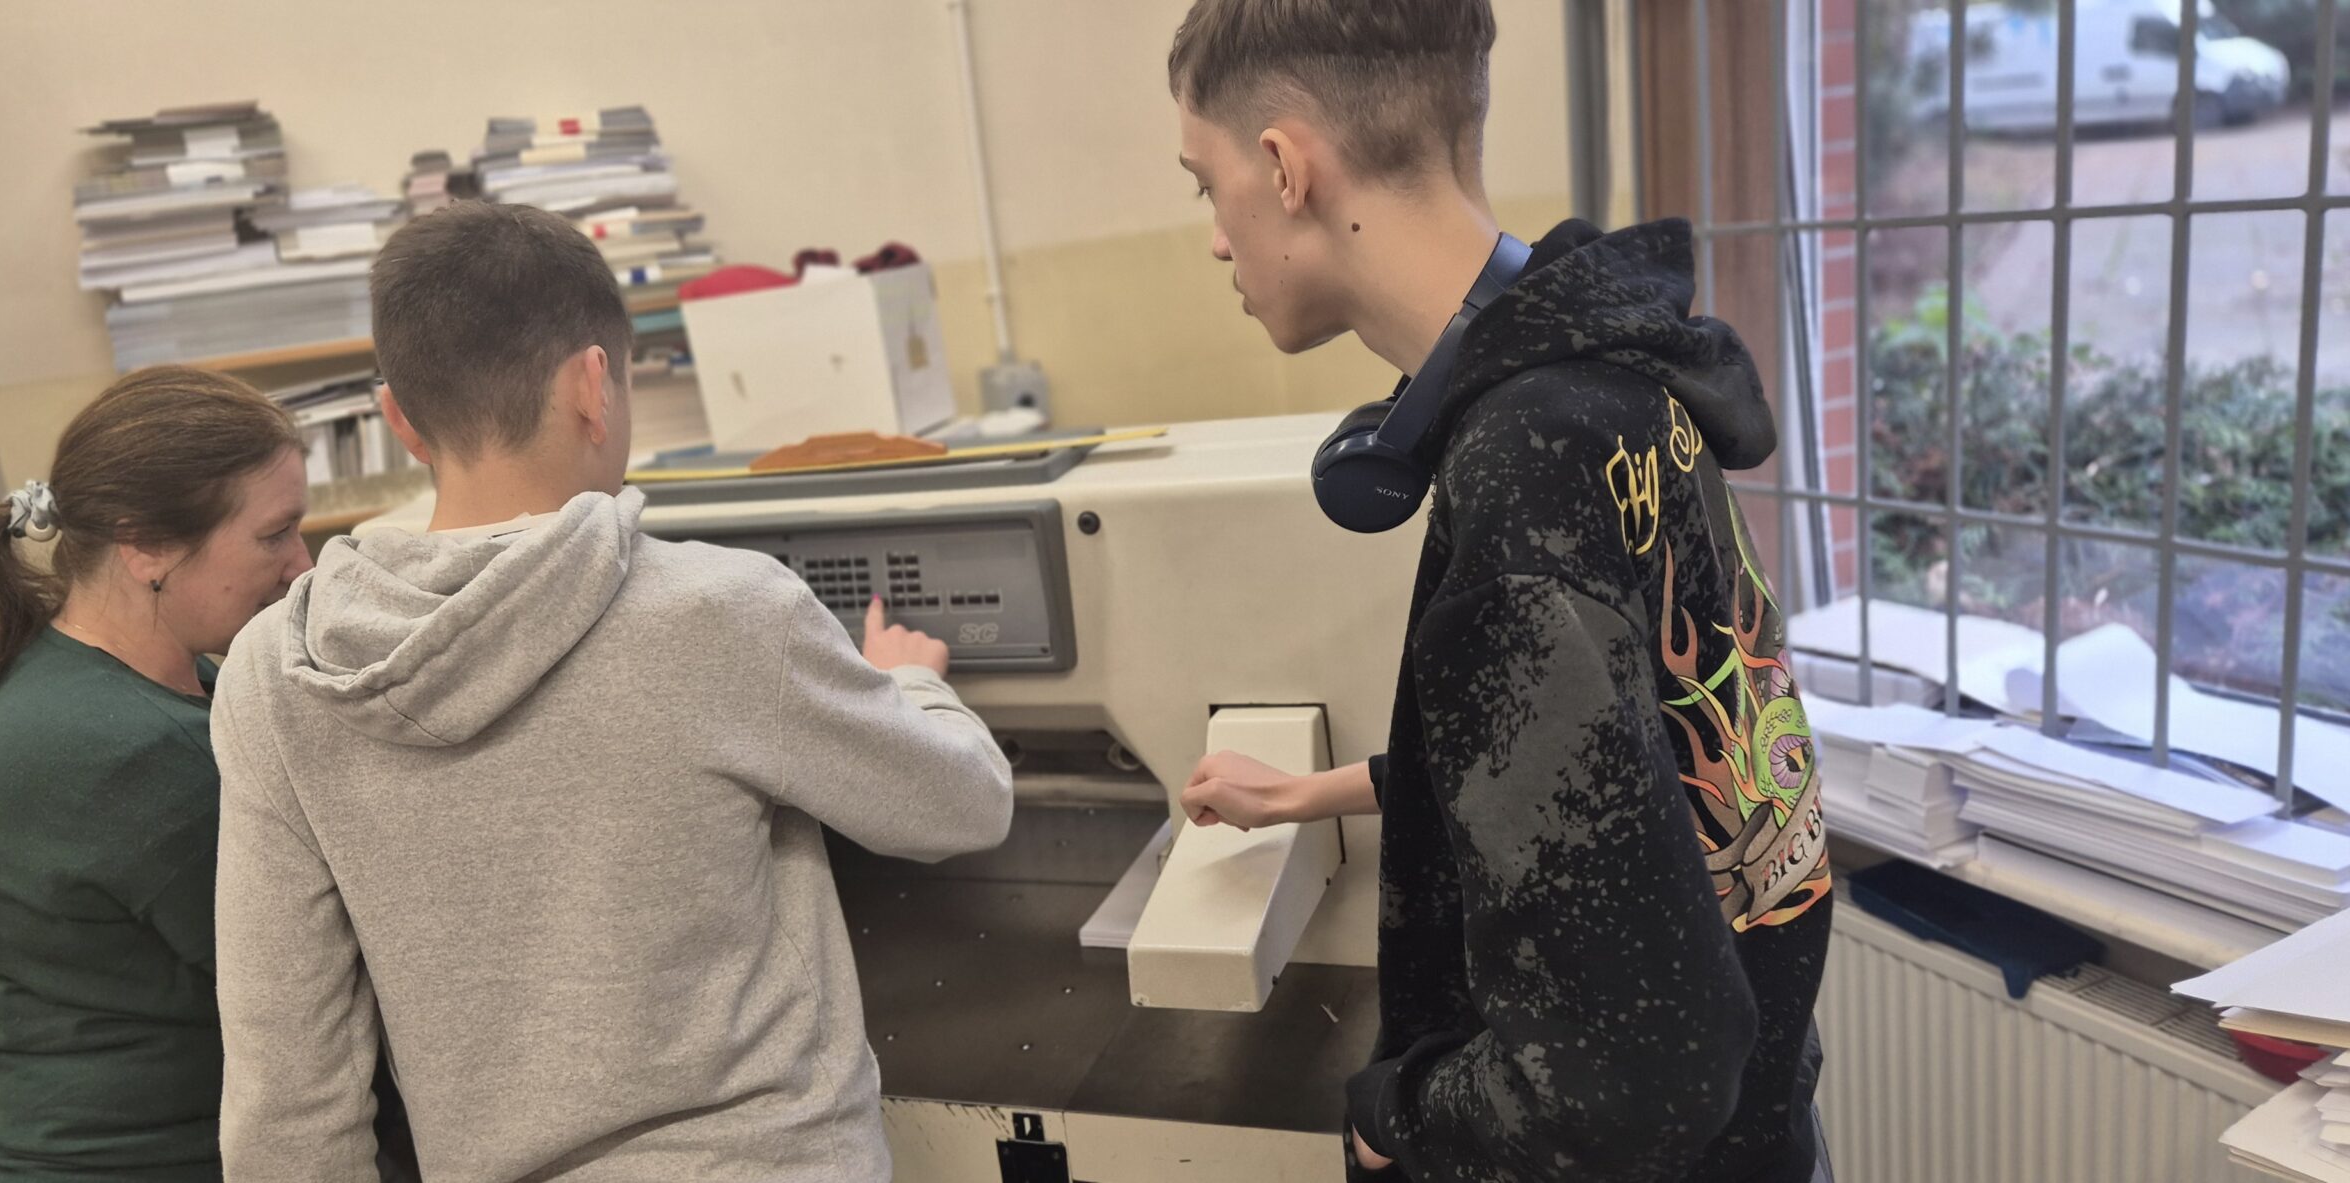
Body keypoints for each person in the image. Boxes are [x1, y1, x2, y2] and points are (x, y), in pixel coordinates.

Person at [209, 200, 1016, 1182]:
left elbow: (287, 1099)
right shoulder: (726, 610)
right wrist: (911, 682)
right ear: (594, 385)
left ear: (400, 420)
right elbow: (963, 803)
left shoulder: (273, 674)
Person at [1165, 2, 1835, 1180]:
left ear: (1283, 167)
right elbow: (1634, 751)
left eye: (1205, 185)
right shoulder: (1613, 380)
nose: (1217, 239)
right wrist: (1317, 793)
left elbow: (1638, 1077)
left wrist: (1397, 1114)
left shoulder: (1520, 478)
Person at [0, 368, 317, 1182]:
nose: (301, 565)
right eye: (275, 534)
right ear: (144, 545)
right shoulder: (130, 751)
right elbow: (315, 982)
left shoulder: (73, 675)